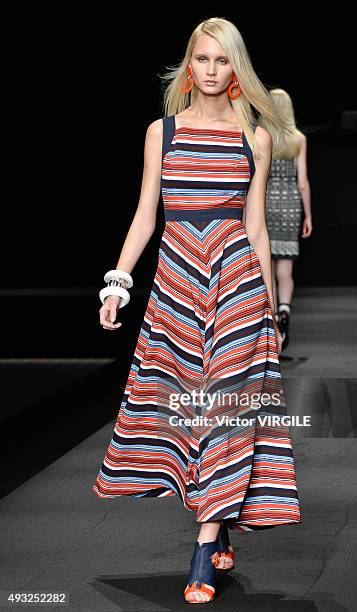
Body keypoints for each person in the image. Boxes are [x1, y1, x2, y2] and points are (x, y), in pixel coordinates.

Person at [92, 17, 302, 604]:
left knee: (226, 409)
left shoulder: (254, 137)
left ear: (237, 69)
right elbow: (144, 215)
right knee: (189, 412)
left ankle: (204, 546)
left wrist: (268, 308)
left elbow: (256, 228)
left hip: (235, 284)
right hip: (177, 285)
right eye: (203, 60)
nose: (212, 71)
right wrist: (117, 284)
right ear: (190, 66)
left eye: (223, 61)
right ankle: (223, 513)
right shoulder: (161, 132)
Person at [265, 88, 312, 351]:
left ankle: (271, 318)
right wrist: (308, 215)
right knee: (286, 269)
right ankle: (285, 311)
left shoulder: (263, 137)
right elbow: (303, 182)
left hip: (267, 203)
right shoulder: (298, 139)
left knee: (267, 266)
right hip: (290, 205)